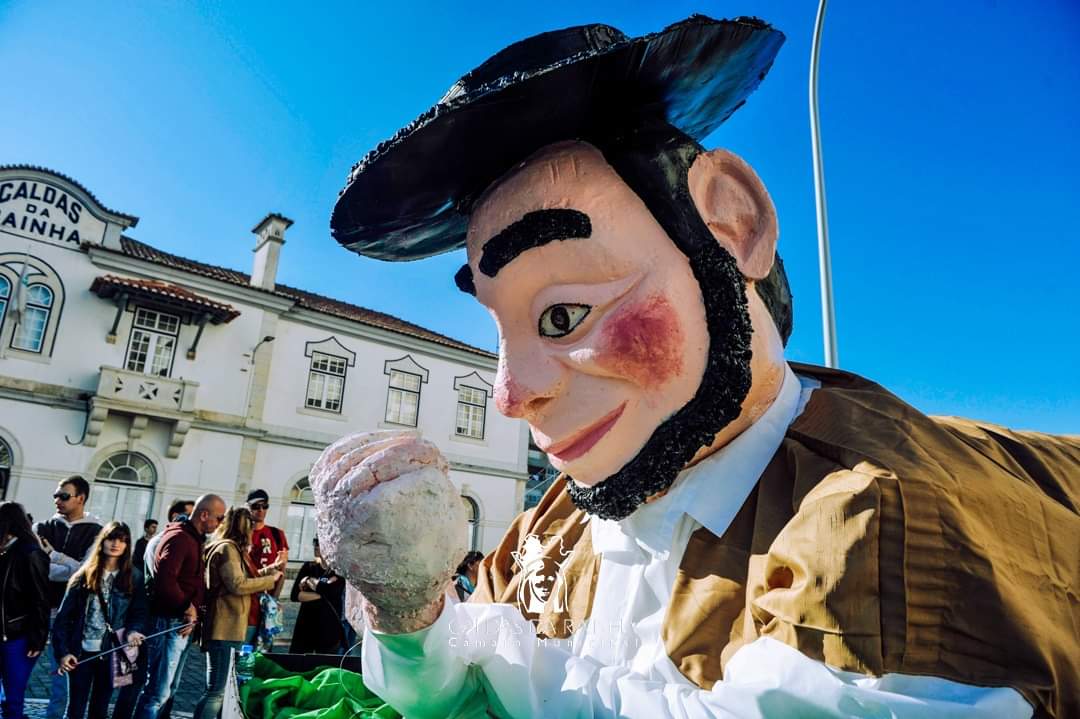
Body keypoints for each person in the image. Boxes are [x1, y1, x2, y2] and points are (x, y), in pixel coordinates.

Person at [316, 14, 1080, 718]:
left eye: (562, 315)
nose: (514, 393)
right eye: (502, 328)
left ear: (729, 224)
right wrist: (409, 610)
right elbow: (466, 678)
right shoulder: (551, 530)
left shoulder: (875, 536)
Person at [134, 494, 224, 719]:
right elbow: (165, 579)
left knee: (166, 690)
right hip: (169, 620)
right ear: (204, 515)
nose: (220, 523)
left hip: (179, 622)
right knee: (156, 692)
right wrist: (187, 607)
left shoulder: (192, 537)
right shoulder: (180, 538)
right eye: (219, 518)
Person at [194, 507, 282, 719]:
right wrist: (269, 580)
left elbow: (236, 579)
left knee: (221, 689)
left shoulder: (229, 549)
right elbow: (237, 584)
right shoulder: (227, 549)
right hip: (225, 628)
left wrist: (265, 573)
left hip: (230, 627)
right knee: (216, 690)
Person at [53, 522, 146, 719]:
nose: (116, 544)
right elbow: (62, 620)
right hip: (82, 652)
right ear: (102, 541)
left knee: (100, 707)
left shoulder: (134, 577)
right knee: (75, 708)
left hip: (114, 651)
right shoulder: (83, 575)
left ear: (127, 545)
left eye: (122, 540)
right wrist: (63, 653)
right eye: (112, 538)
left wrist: (133, 631)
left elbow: (138, 613)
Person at [114, 501, 192, 719]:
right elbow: (160, 582)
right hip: (147, 619)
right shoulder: (164, 541)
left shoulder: (167, 539)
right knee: (136, 680)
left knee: (144, 681)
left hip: (147, 618)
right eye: (187, 515)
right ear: (175, 516)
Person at [34, 476, 102, 719]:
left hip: (69, 614)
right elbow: (37, 568)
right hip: (37, 609)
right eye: (56, 495)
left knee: (61, 679)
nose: (57, 500)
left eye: (64, 496)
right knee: (14, 671)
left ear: (80, 498)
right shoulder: (43, 527)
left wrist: (54, 555)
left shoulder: (97, 531)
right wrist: (65, 569)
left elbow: (86, 570)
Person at [0, 502, 50, 719]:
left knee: (13, 697)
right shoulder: (5, 551)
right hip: (8, 633)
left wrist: (38, 638)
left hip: (17, 636)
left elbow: (40, 599)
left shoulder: (30, 553)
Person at [244, 489, 287, 646]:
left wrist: (274, 599)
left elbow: (282, 570)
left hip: (267, 602)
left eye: (265, 506)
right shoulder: (242, 534)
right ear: (247, 507)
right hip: (246, 599)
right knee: (243, 649)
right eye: (256, 506)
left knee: (263, 650)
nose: (261, 510)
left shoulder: (276, 534)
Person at [288, 538, 344, 654]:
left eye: (320, 543)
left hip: (329, 628)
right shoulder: (309, 567)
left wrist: (308, 581)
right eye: (315, 542)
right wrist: (323, 592)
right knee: (298, 664)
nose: (316, 546)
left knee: (325, 666)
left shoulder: (338, 571)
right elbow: (295, 595)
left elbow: (334, 591)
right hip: (305, 626)